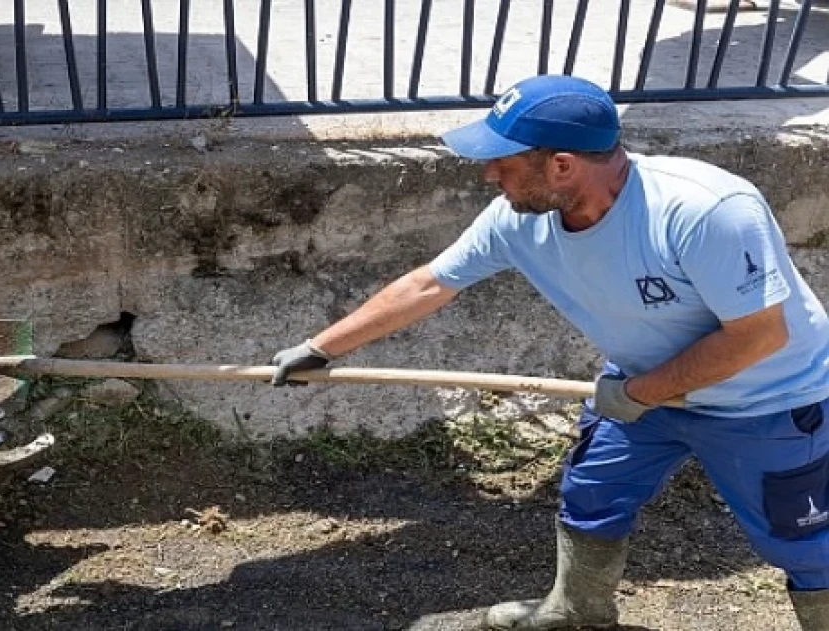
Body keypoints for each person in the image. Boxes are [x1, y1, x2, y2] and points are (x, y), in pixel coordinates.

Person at [269, 73, 829, 630]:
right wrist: (321, 348)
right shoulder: (516, 223)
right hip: (640, 386)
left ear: (561, 165)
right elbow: (429, 285)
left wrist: (638, 393)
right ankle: (577, 611)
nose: (489, 173)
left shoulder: (704, 211)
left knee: (801, 543)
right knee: (592, 495)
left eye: (502, 161)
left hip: (767, 401)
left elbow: (758, 337)